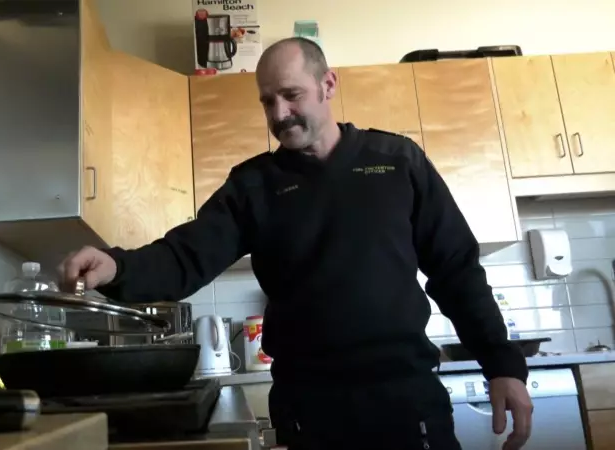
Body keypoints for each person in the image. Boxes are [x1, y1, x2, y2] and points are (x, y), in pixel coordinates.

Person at [58, 37, 533, 449]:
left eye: (291, 95)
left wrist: (502, 365)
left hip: (407, 399)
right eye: (268, 101)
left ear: (328, 85)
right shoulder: (253, 186)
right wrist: (117, 267)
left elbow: (456, 270)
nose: (279, 114)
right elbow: (185, 257)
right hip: (309, 409)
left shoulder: (397, 160)